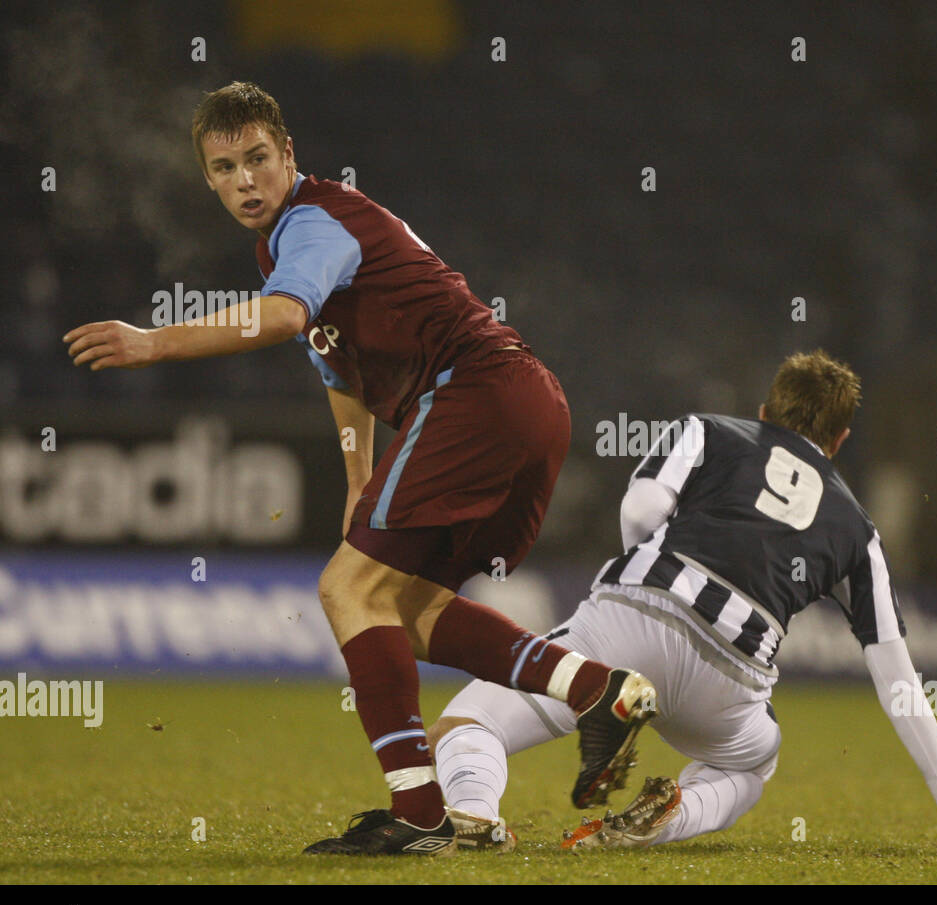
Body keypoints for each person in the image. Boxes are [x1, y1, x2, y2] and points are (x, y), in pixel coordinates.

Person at [62, 80, 656, 857]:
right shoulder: (303, 236)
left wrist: (151, 340)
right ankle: (597, 690)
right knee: (409, 609)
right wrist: (356, 480)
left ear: (289, 156)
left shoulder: (312, 222)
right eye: (224, 167)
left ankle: (417, 812)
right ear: (206, 177)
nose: (245, 180)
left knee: (344, 588)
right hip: (528, 408)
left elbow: (284, 319)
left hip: (477, 392)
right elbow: (340, 371)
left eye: (257, 158)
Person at [428, 350, 937, 855]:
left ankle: (475, 815)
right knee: (748, 767)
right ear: (839, 441)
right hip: (730, 677)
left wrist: (653, 583)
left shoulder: (708, 429)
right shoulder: (858, 529)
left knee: (468, 722)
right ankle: (668, 815)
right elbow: (897, 678)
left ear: (764, 413)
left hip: (630, 624)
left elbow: (639, 511)